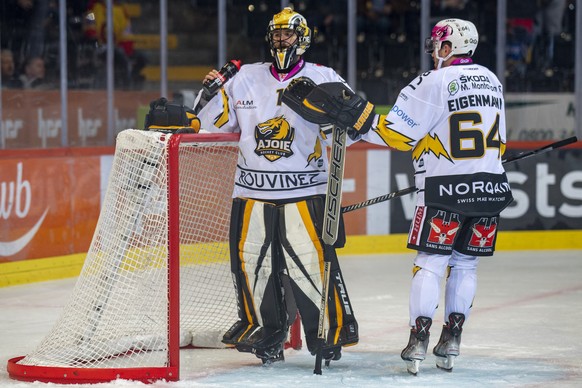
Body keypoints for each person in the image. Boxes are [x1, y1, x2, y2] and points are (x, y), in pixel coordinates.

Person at [281, 18, 512, 375]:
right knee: (465, 264)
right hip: (489, 186)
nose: (434, 49)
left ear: (447, 47)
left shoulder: (432, 81)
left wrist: (354, 116)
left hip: (444, 193)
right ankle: (452, 338)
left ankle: (419, 340)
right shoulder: (492, 80)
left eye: (437, 43)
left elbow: (397, 136)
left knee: (431, 263)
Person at [194, 7, 359, 365]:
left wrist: (346, 116)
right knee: (253, 266)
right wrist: (208, 94)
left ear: (304, 39)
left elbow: (349, 133)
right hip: (251, 193)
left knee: (311, 267)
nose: (282, 40)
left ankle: (326, 337)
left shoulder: (324, 76)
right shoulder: (245, 78)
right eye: (277, 34)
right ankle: (266, 335)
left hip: (304, 193)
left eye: (289, 34)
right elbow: (211, 126)